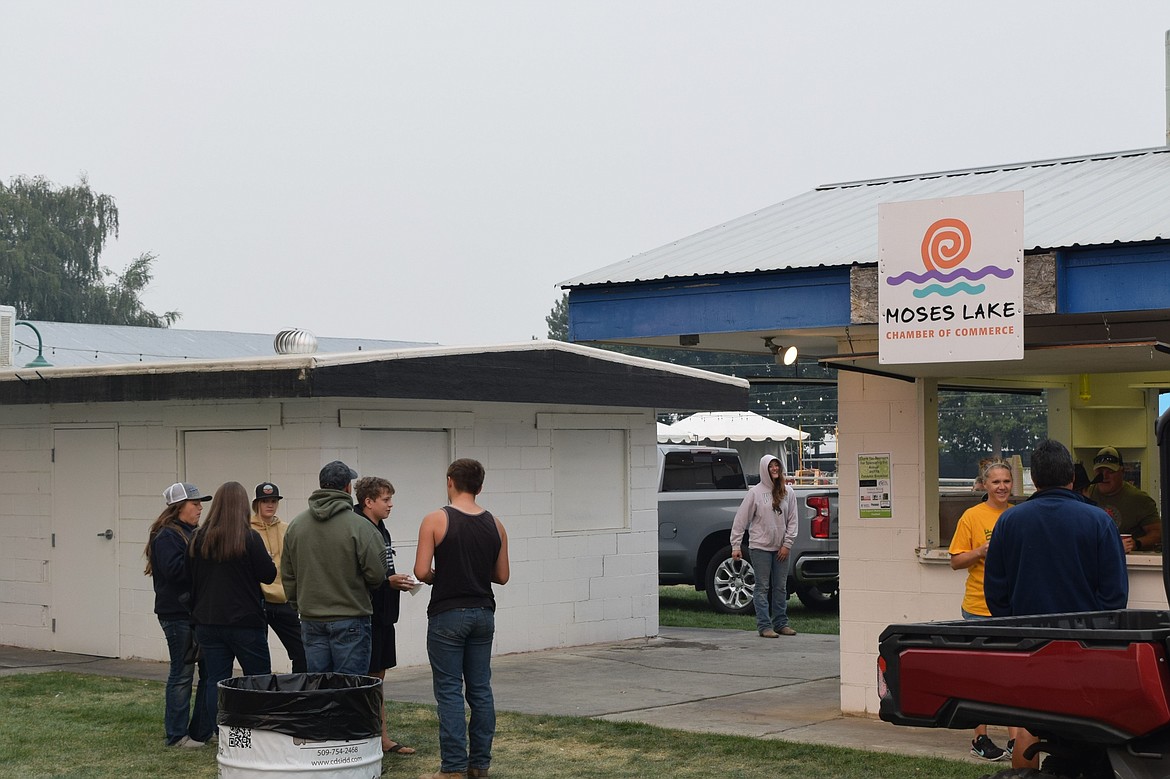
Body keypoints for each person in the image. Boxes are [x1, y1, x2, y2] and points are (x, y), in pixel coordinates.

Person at [984, 439, 1129, 770]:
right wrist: (1095, 633)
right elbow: (1115, 596)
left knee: (1028, 723)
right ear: (1072, 478)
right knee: (1088, 728)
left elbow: (996, 594)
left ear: (1034, 480)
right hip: (1086, 648)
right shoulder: (1098, 520)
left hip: (1028, 645)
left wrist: (1018, 629)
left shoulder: (1009, 522)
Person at [414, 458, 510, 779]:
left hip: (447, 614)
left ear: (450, 481)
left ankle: (453, 768)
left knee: (450, 690)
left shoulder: (435, 519)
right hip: (484, 612)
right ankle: (480, 765)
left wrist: (433, 577)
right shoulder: (496, 524)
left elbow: (420, 571)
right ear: (480, 487)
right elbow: (502, 575)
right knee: (480, 689)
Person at [281, 460, 387, 675]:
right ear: (347, 487)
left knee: (320, 690)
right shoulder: (360, 526)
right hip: (351, 618)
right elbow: (377, 575)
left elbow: (288, 575)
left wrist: (298, 605)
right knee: (350, 691)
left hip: (311, 619)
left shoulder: (296, 526)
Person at [189, 481, 278, 730]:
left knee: (215, 680)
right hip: (245, 622)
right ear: (243, 507)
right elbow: (269, 575)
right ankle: (259, 729)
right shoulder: (249, 538)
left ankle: (222, 732)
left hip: (207, 620)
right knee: (258, 678)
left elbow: (190, 578)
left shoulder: (198, 538)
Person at [948, 460, 1018, 762]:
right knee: (981, 677)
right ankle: (980, 737)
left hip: (1014, 607)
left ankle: (1017, 739)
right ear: (984, 485)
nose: (1001, 487)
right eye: (995, 482)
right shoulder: (972, 516)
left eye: (1006, 481)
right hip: (978, 606)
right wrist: (980, 552)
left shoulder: (1018, 514)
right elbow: (955, 560)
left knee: (1013, 676)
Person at [143, 482, 215, 748]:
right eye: (194, 503)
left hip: (194, 614)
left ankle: (201, 732)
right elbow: (176, 572)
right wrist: (203, 556)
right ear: (178, 507)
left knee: (209, 673)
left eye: (200, 503)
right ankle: (176, 736)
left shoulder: (190, 533)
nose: (200, 508)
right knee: (182, 674)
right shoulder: (166, 536)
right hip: (177, 615)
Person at [354, 476, 418, 755]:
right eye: (386, 500)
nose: (391, 505)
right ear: (368, 502)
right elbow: (360, 574)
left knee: (378, 675)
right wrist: (386, 582)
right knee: (365, 676)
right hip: (364, 612)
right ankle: (365, 739)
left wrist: (396, 581)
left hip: (383, 613)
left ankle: (381, 737)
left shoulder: (382, 528)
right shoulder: (358, 527)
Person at [730, 454, 798, 638]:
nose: (774, 469)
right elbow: (741, 519)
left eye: (777, 465)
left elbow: (792, 520)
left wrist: (787, 544)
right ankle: (764, 625)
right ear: (764, 469)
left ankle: (781, 623)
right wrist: (736, 545)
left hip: (781, 548)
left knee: (781, 587)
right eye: (771, 466)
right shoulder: (755, 493)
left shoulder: (788, 492)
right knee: (762, 587)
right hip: (760, 547)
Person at [249, 482, 307, 673]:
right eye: (265, 501)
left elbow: (296, 562)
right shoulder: (247, 530)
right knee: (258, 656)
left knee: (302, 651)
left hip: (284, 600)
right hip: (258, 601)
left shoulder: (287, 528)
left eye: (273, 501)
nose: (270, 505)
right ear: (256, 504)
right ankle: (262, 695)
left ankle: (298, 692)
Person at [1085, 446, 1162, 552]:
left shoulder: (1139, 500)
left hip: (1130, 563)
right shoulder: (1086, 495)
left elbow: (1157, 533)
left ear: (1122, 472)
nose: (1104, 476)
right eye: (1100, 471)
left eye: (1110, 471)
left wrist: (1136, 543)